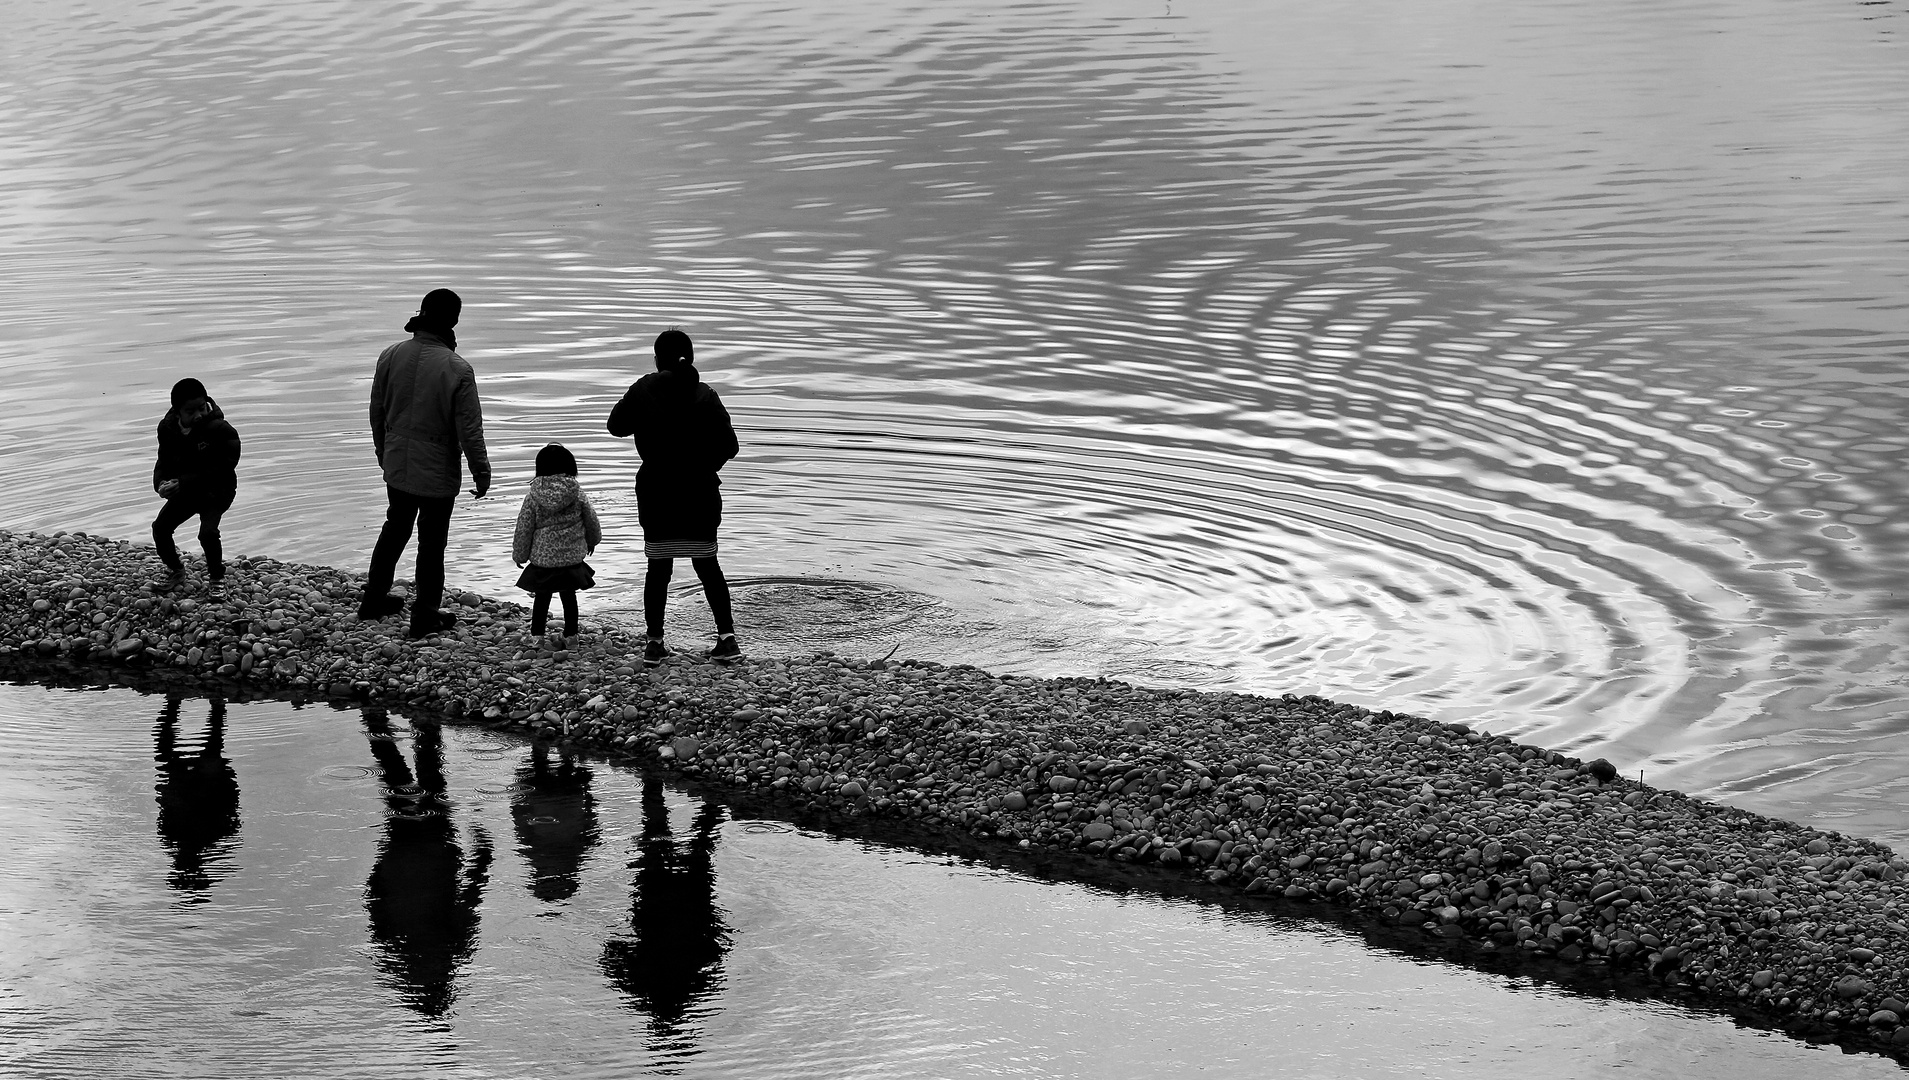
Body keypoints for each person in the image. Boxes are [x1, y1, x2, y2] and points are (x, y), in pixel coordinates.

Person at [361, 288, 492, 639]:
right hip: (436, 468)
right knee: (432, 544)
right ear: (453, 322)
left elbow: (377, 411)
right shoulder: (457, 368)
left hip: (397, 460)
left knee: (395, 528)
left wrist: (382, 451)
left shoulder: (390, 355)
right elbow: (469, 428)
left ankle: (373, 598)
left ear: (422, 314)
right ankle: (425, 615)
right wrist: (481, 471)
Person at [606, 329, 740, 664]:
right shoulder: (706, 395)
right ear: (691, 359)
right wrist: (705, 468)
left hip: (657, 495)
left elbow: (615, 426)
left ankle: (654, 643)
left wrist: (643, 391)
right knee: (708, 568)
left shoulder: (643, 390)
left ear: (657, 360)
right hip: (700, 496)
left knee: (658, 569)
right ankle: (727, 639)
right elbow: (731, 447)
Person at [151, 377, 241, 591]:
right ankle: (176, 570)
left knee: (207, 533)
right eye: (190, 412)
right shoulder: (168, 429)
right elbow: (163, 460)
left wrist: (183, 482)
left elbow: (225, 464)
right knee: (160, 528)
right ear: (177, 411)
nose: (198, 415)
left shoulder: (219, 428)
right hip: (187, 491)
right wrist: (162, 483)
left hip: (217, 490)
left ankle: (217, 579)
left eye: (201, 408)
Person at [511, 443, 602, 647]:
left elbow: (524, 528)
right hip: (571, 558)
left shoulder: (532, 497)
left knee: (542, 598)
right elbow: (592, 521)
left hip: (543, 560)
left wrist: (520, 555)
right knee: (569, 596)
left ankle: (537, 636)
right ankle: (571, 636)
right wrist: (593, 541)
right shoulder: (577, 493)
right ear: (571, 466)